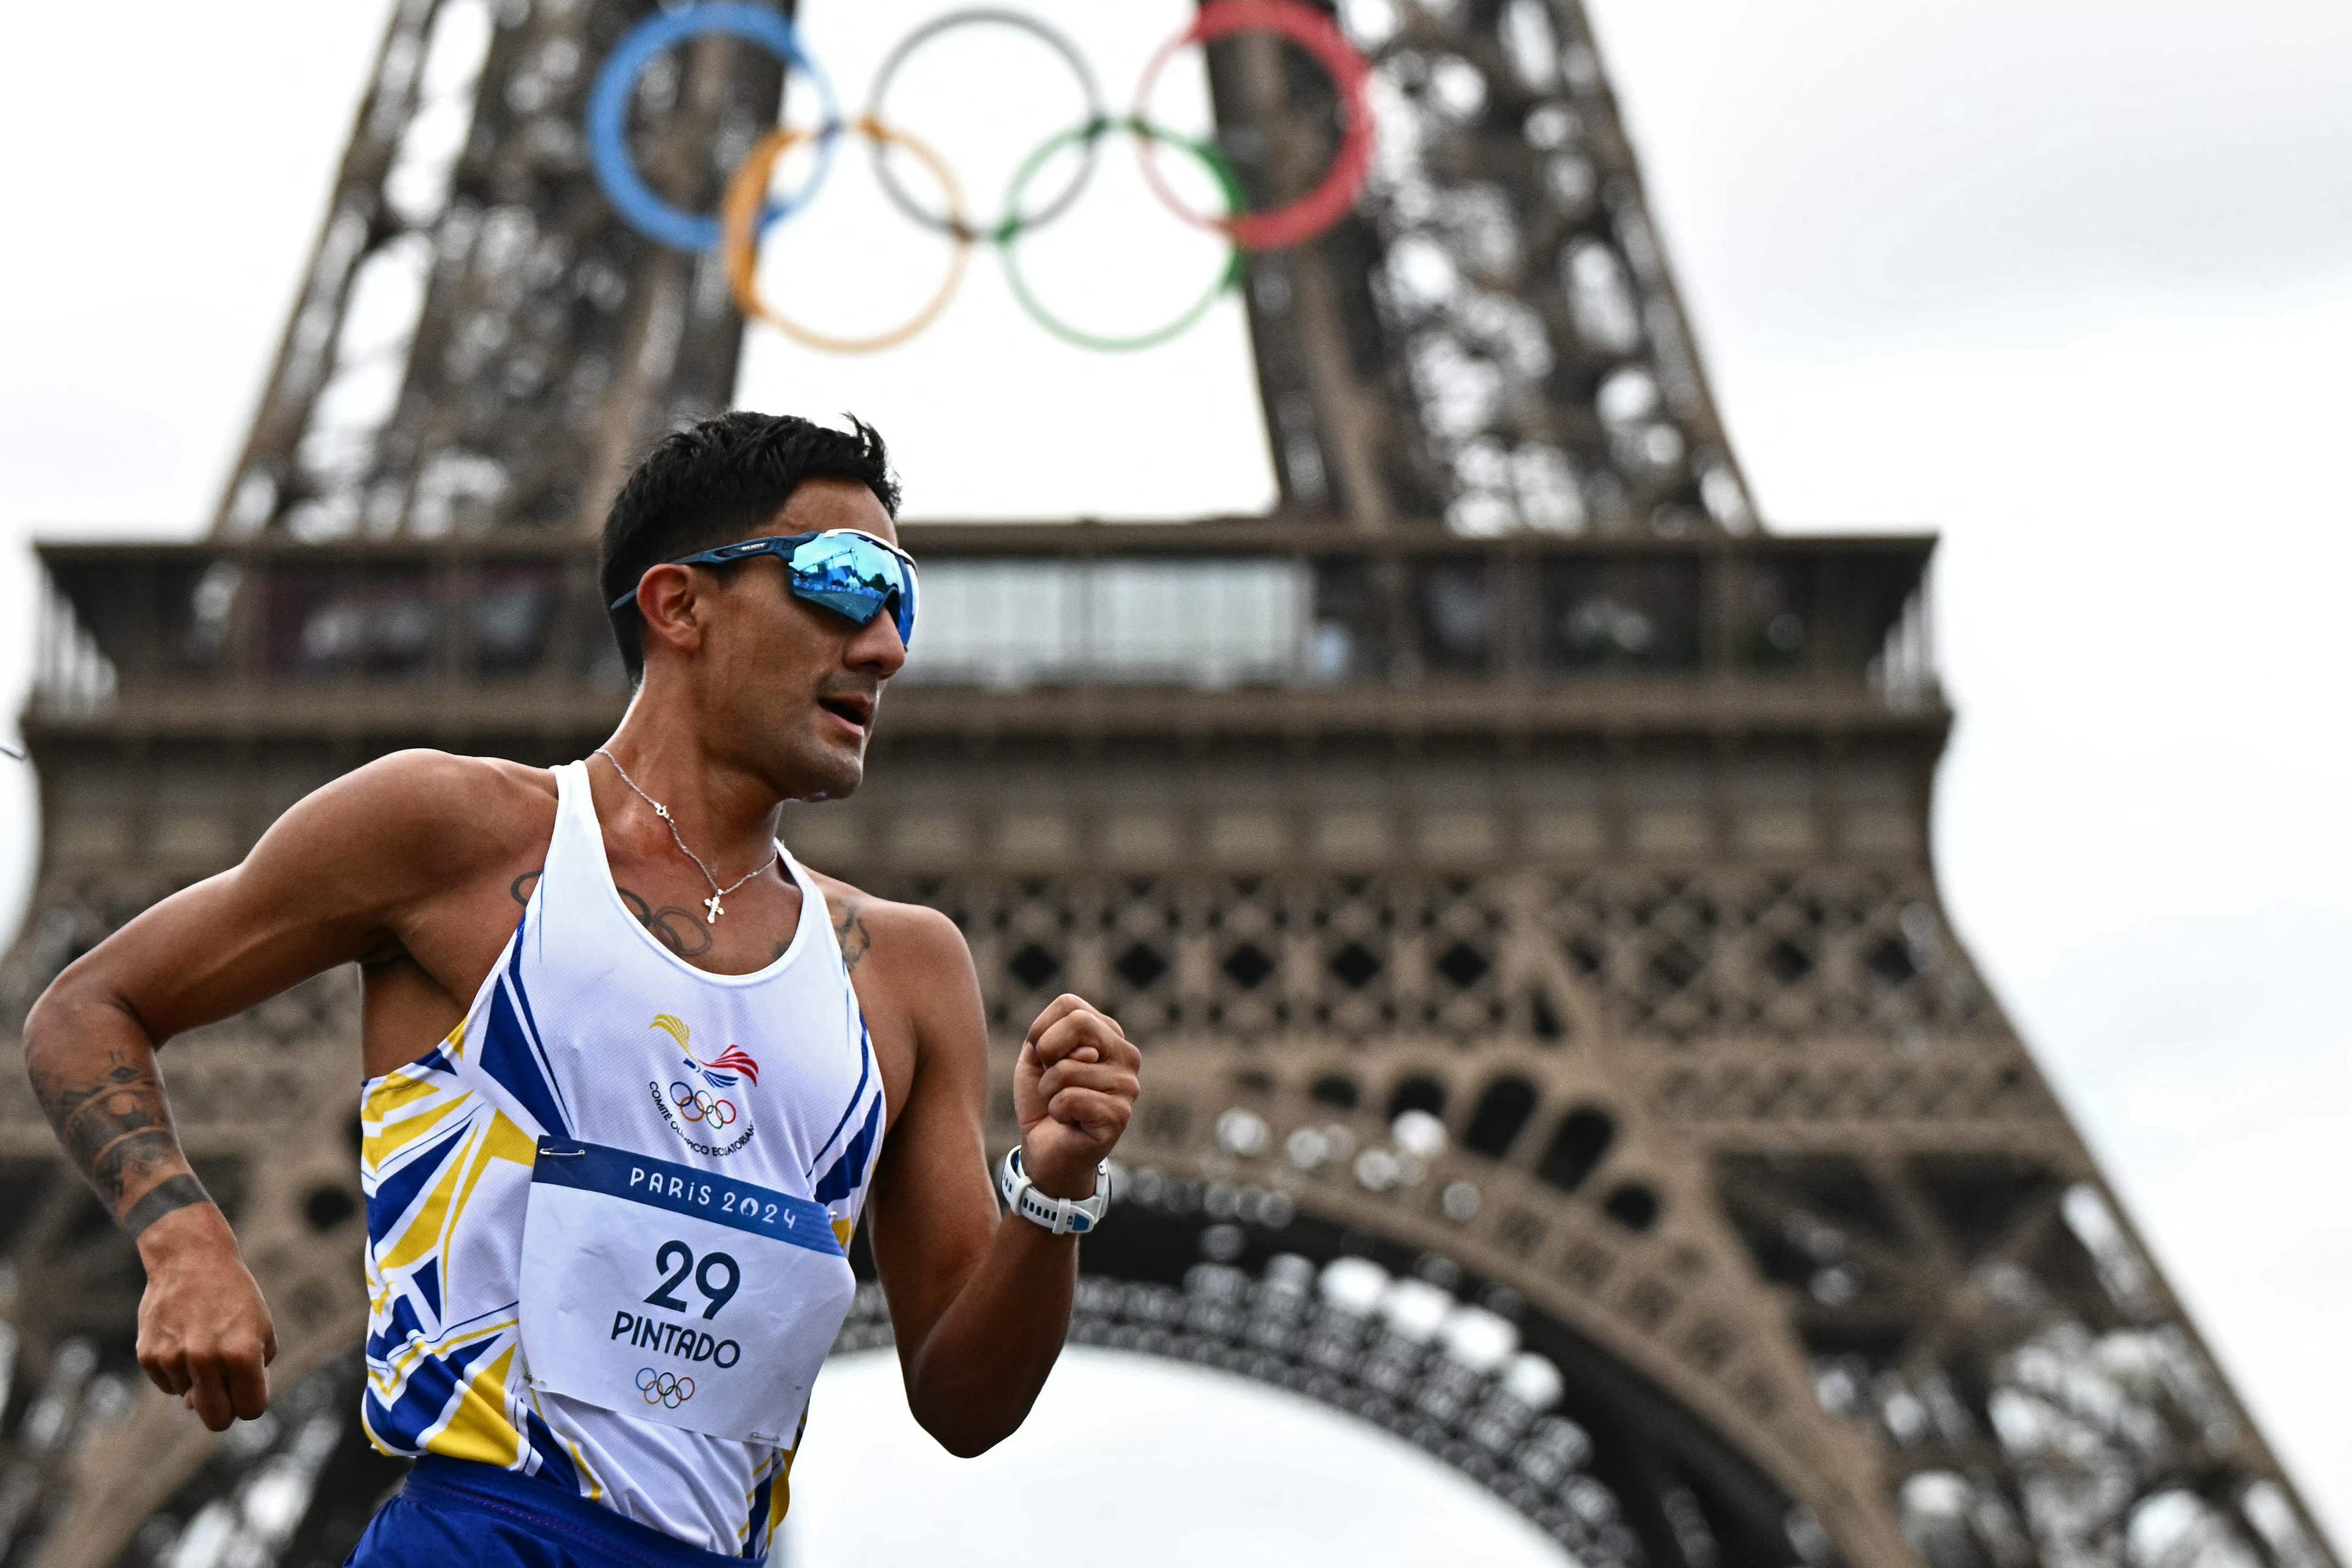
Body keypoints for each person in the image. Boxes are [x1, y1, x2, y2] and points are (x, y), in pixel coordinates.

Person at [22, 412, 1143, 1566]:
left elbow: (965, 1401)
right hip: (479, 1538)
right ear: (678, 604)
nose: (885, 646)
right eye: (844, 583)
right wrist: (187, 1240)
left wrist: (1053, 1188)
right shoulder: (454, 835)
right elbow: (87, 1007)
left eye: (902, 599)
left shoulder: (908, 970)